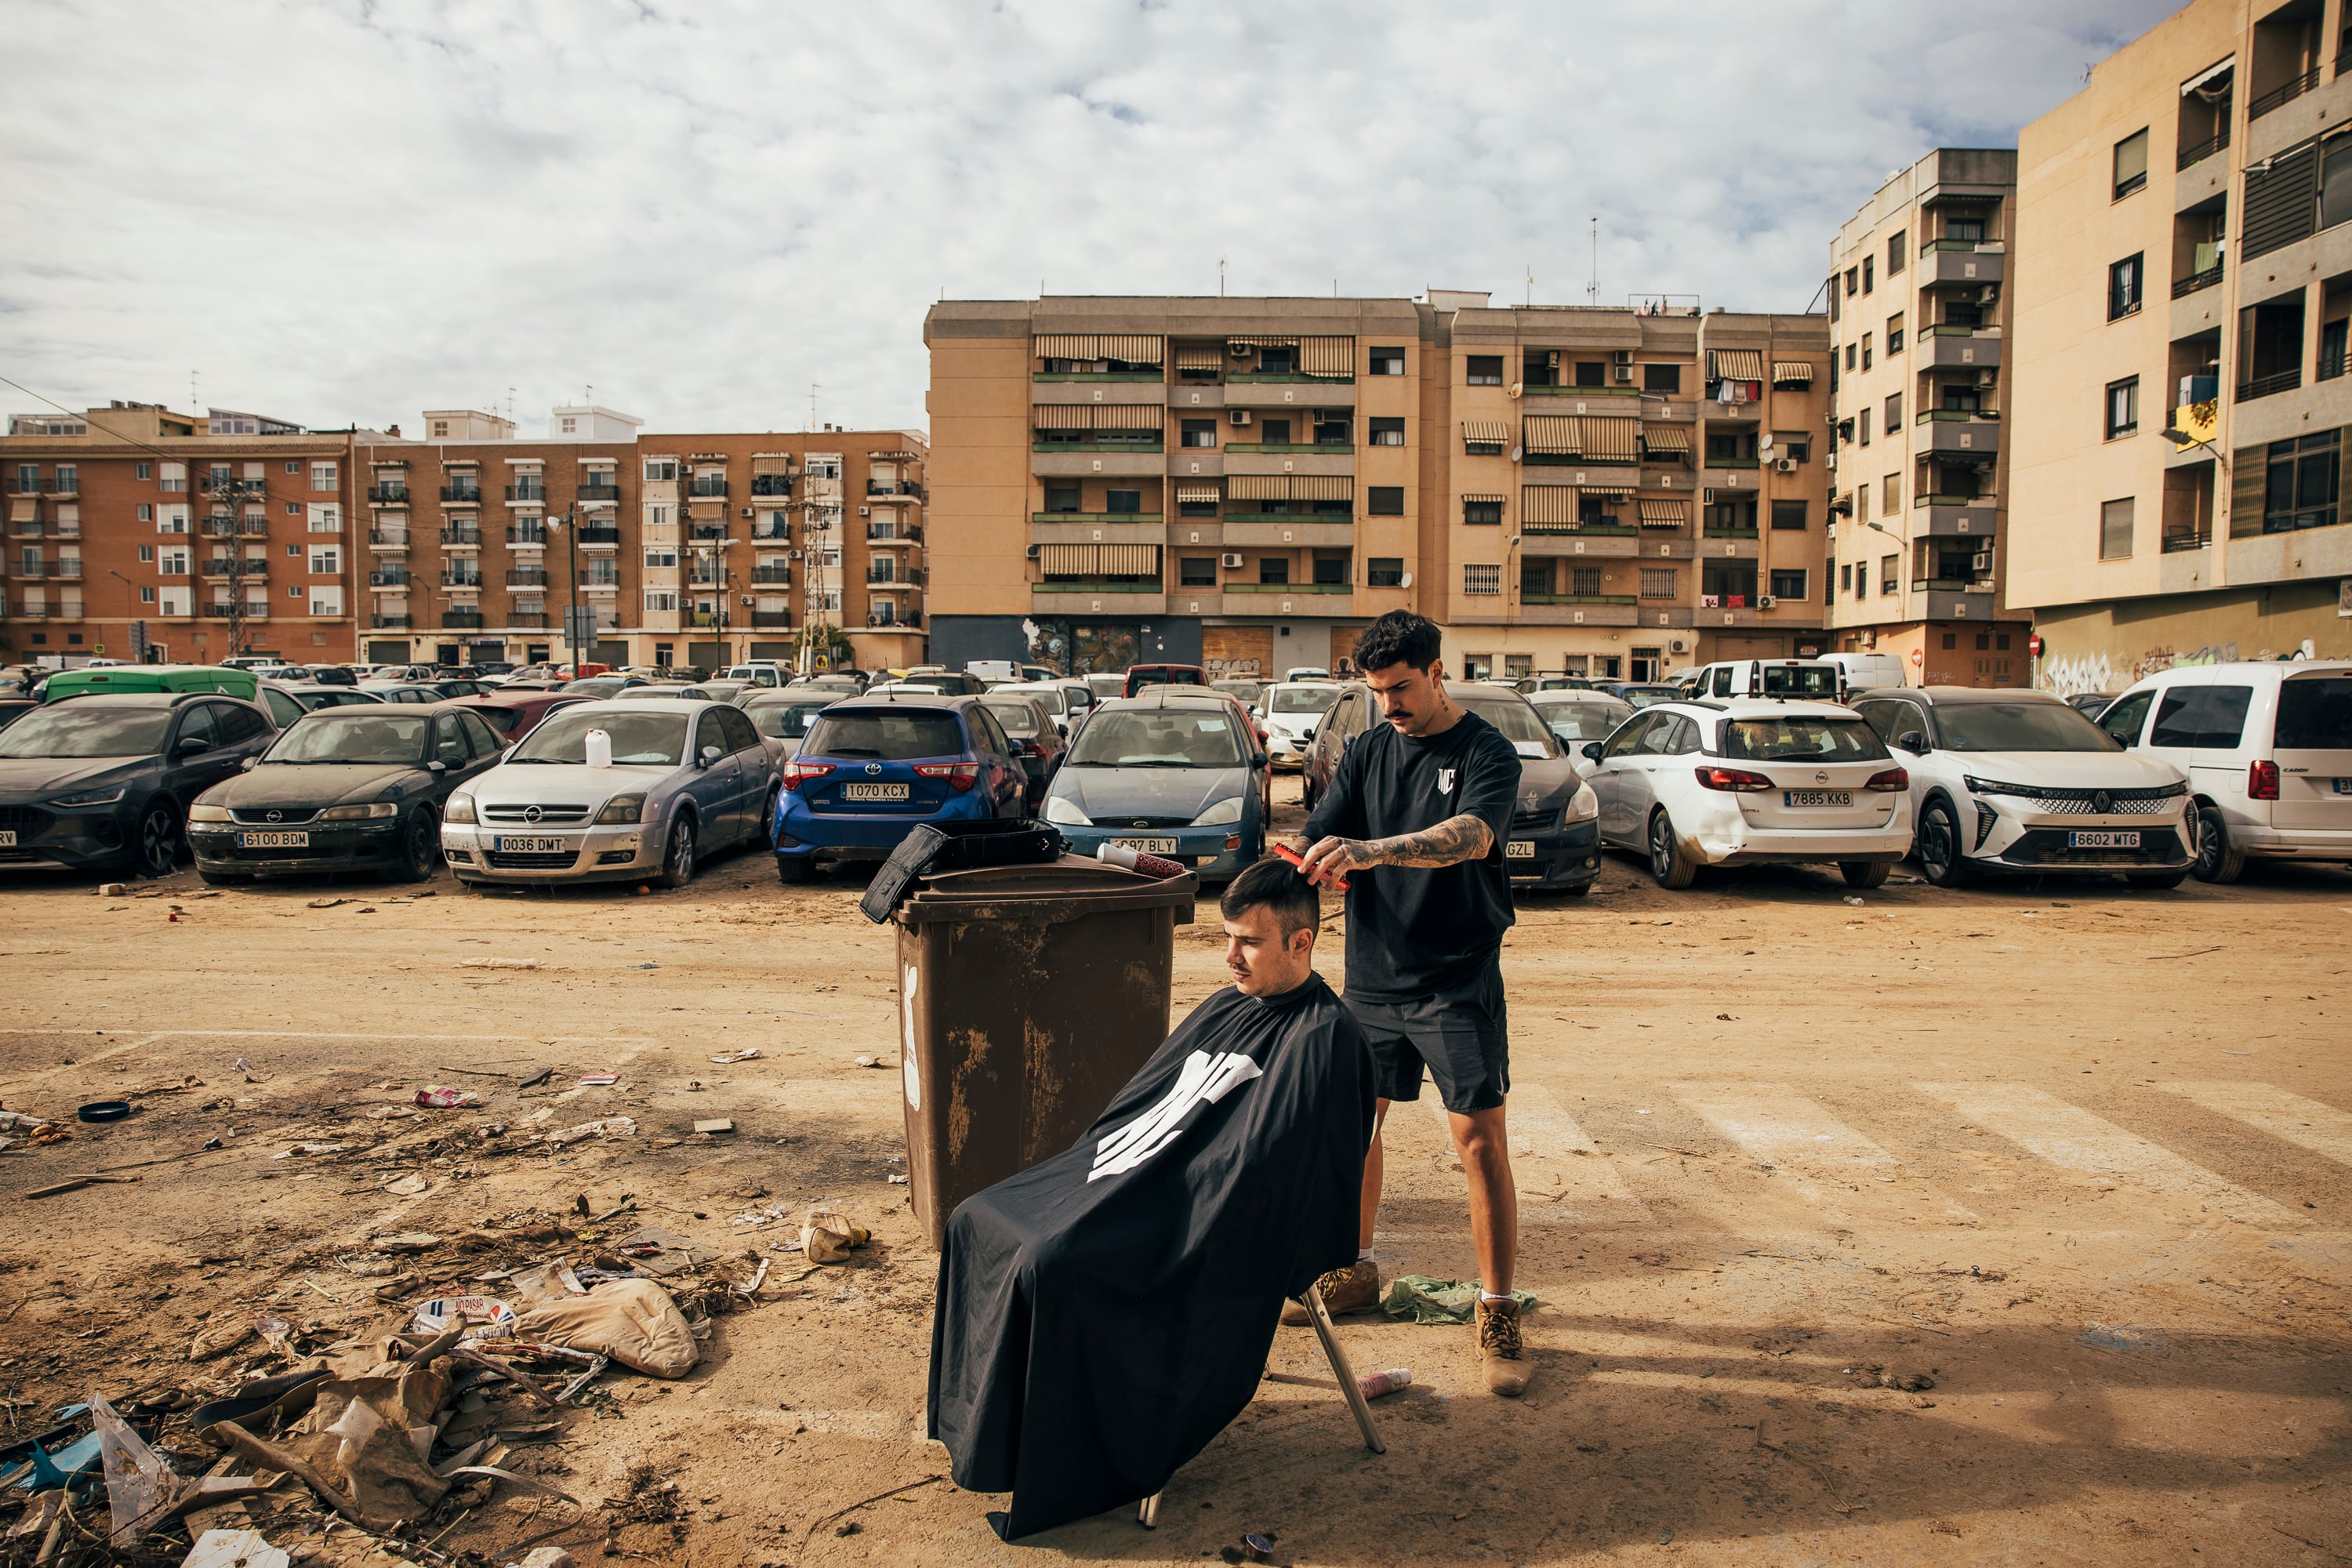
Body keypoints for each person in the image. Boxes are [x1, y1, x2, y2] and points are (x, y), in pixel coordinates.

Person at [927, 858, 1377, 1538]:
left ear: (1301, 943)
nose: (1230, 957)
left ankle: (1073, 1457)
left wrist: (1170, 1217)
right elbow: (1138, 1106)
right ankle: (992, 1436)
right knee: (975, 1219)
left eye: (1248, 942)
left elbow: (1274, 1179)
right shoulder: (1230, 1004)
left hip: (1198, 1222)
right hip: (1135, 1179)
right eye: (1227, 937)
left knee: (1051, 1261)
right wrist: (1092, 1180)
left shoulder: (1326, 1040)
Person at [1293, 610, 1531, 1396]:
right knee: (1356, 1126)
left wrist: (1374, 850)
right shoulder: (1367, 748)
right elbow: (1322, 835)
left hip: (1457, 975)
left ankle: (1497, 1309)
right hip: (1374, 975)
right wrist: (1302, 862)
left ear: (1437, 671)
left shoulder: (1485, 750)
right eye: (1376, 691)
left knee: (1479, 1142)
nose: (1389, 704)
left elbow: (1472, 835)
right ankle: (1355, 1269)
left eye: (1400, 687)